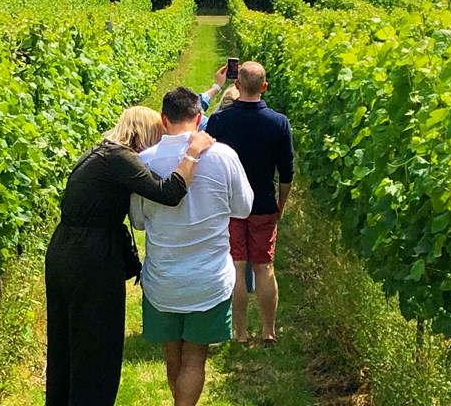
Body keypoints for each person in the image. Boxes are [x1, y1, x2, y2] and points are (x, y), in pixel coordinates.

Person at [45, 106, 216, 405]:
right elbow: (169, 193)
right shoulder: (120, 159)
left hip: (65, 249)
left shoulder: (99, 153)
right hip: (92, 256)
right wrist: (193, 152)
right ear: (146, 133)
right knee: (98, 347)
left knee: (67, 343)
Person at [130, 88, 253, 406]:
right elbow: (243, 209)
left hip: (163, 281)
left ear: (163, 119)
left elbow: (139, 222)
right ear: (199, 118)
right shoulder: (224, 156)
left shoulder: (144, 161)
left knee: (173, 355)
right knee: (195, 359)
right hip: (209, 281)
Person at [203, 61, 294, 346]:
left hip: (230, 205)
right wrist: (281, 202)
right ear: (264, 87)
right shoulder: (278, 122)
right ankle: (268, 331)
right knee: (264, 267)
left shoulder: (220, 121)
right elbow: (287, 172)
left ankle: (239, 333)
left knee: (236, 267)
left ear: (237, 86)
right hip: (263, 203)